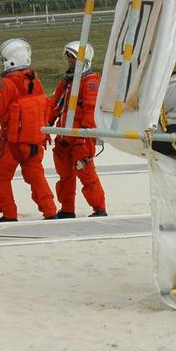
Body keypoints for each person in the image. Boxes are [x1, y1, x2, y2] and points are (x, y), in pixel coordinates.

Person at [0, 38, 59, 222]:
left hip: (12, 144)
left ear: (10, 60)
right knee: (36, 177)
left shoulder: (7, 84)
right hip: (35, 142)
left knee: (1, 178)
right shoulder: (35, 80)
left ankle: (9, 214)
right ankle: (50, 211)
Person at [47, 41, 107, 218]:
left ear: (83, 61)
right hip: (65, 137)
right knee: (65, 176)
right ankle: (67, 210)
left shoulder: (90, 83)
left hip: (81, 139)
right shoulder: (66, 83)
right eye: (69, 59)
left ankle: (99, 208)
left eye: (72, 59)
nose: (69, 62)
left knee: (87, 176)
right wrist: (45, 125)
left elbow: (90, 109)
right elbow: (54, 106)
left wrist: (85, 135)